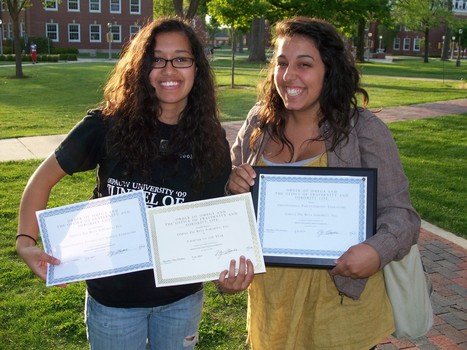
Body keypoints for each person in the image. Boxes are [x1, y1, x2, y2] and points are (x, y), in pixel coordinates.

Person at [16, 18, 253, 350]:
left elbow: (211, 222)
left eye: (181, 58)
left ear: (196, 68)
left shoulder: (211, 139)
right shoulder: (106, 126)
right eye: (157, 59)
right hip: (113, 300)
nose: (169, 69)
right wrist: (25, 240)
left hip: (180, 300)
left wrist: (227, 279)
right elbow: (42, 180)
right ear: (141, 67)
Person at [226, 17, 421, 349]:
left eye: (304, 65)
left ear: (329, 70)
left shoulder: (364, 130)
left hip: (340, 309)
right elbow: (229, 198)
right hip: (273, 303)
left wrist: (376, 251)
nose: (289, 76)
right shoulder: (259, 124)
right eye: (282, 63)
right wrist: (232, 185)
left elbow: (402, 216)